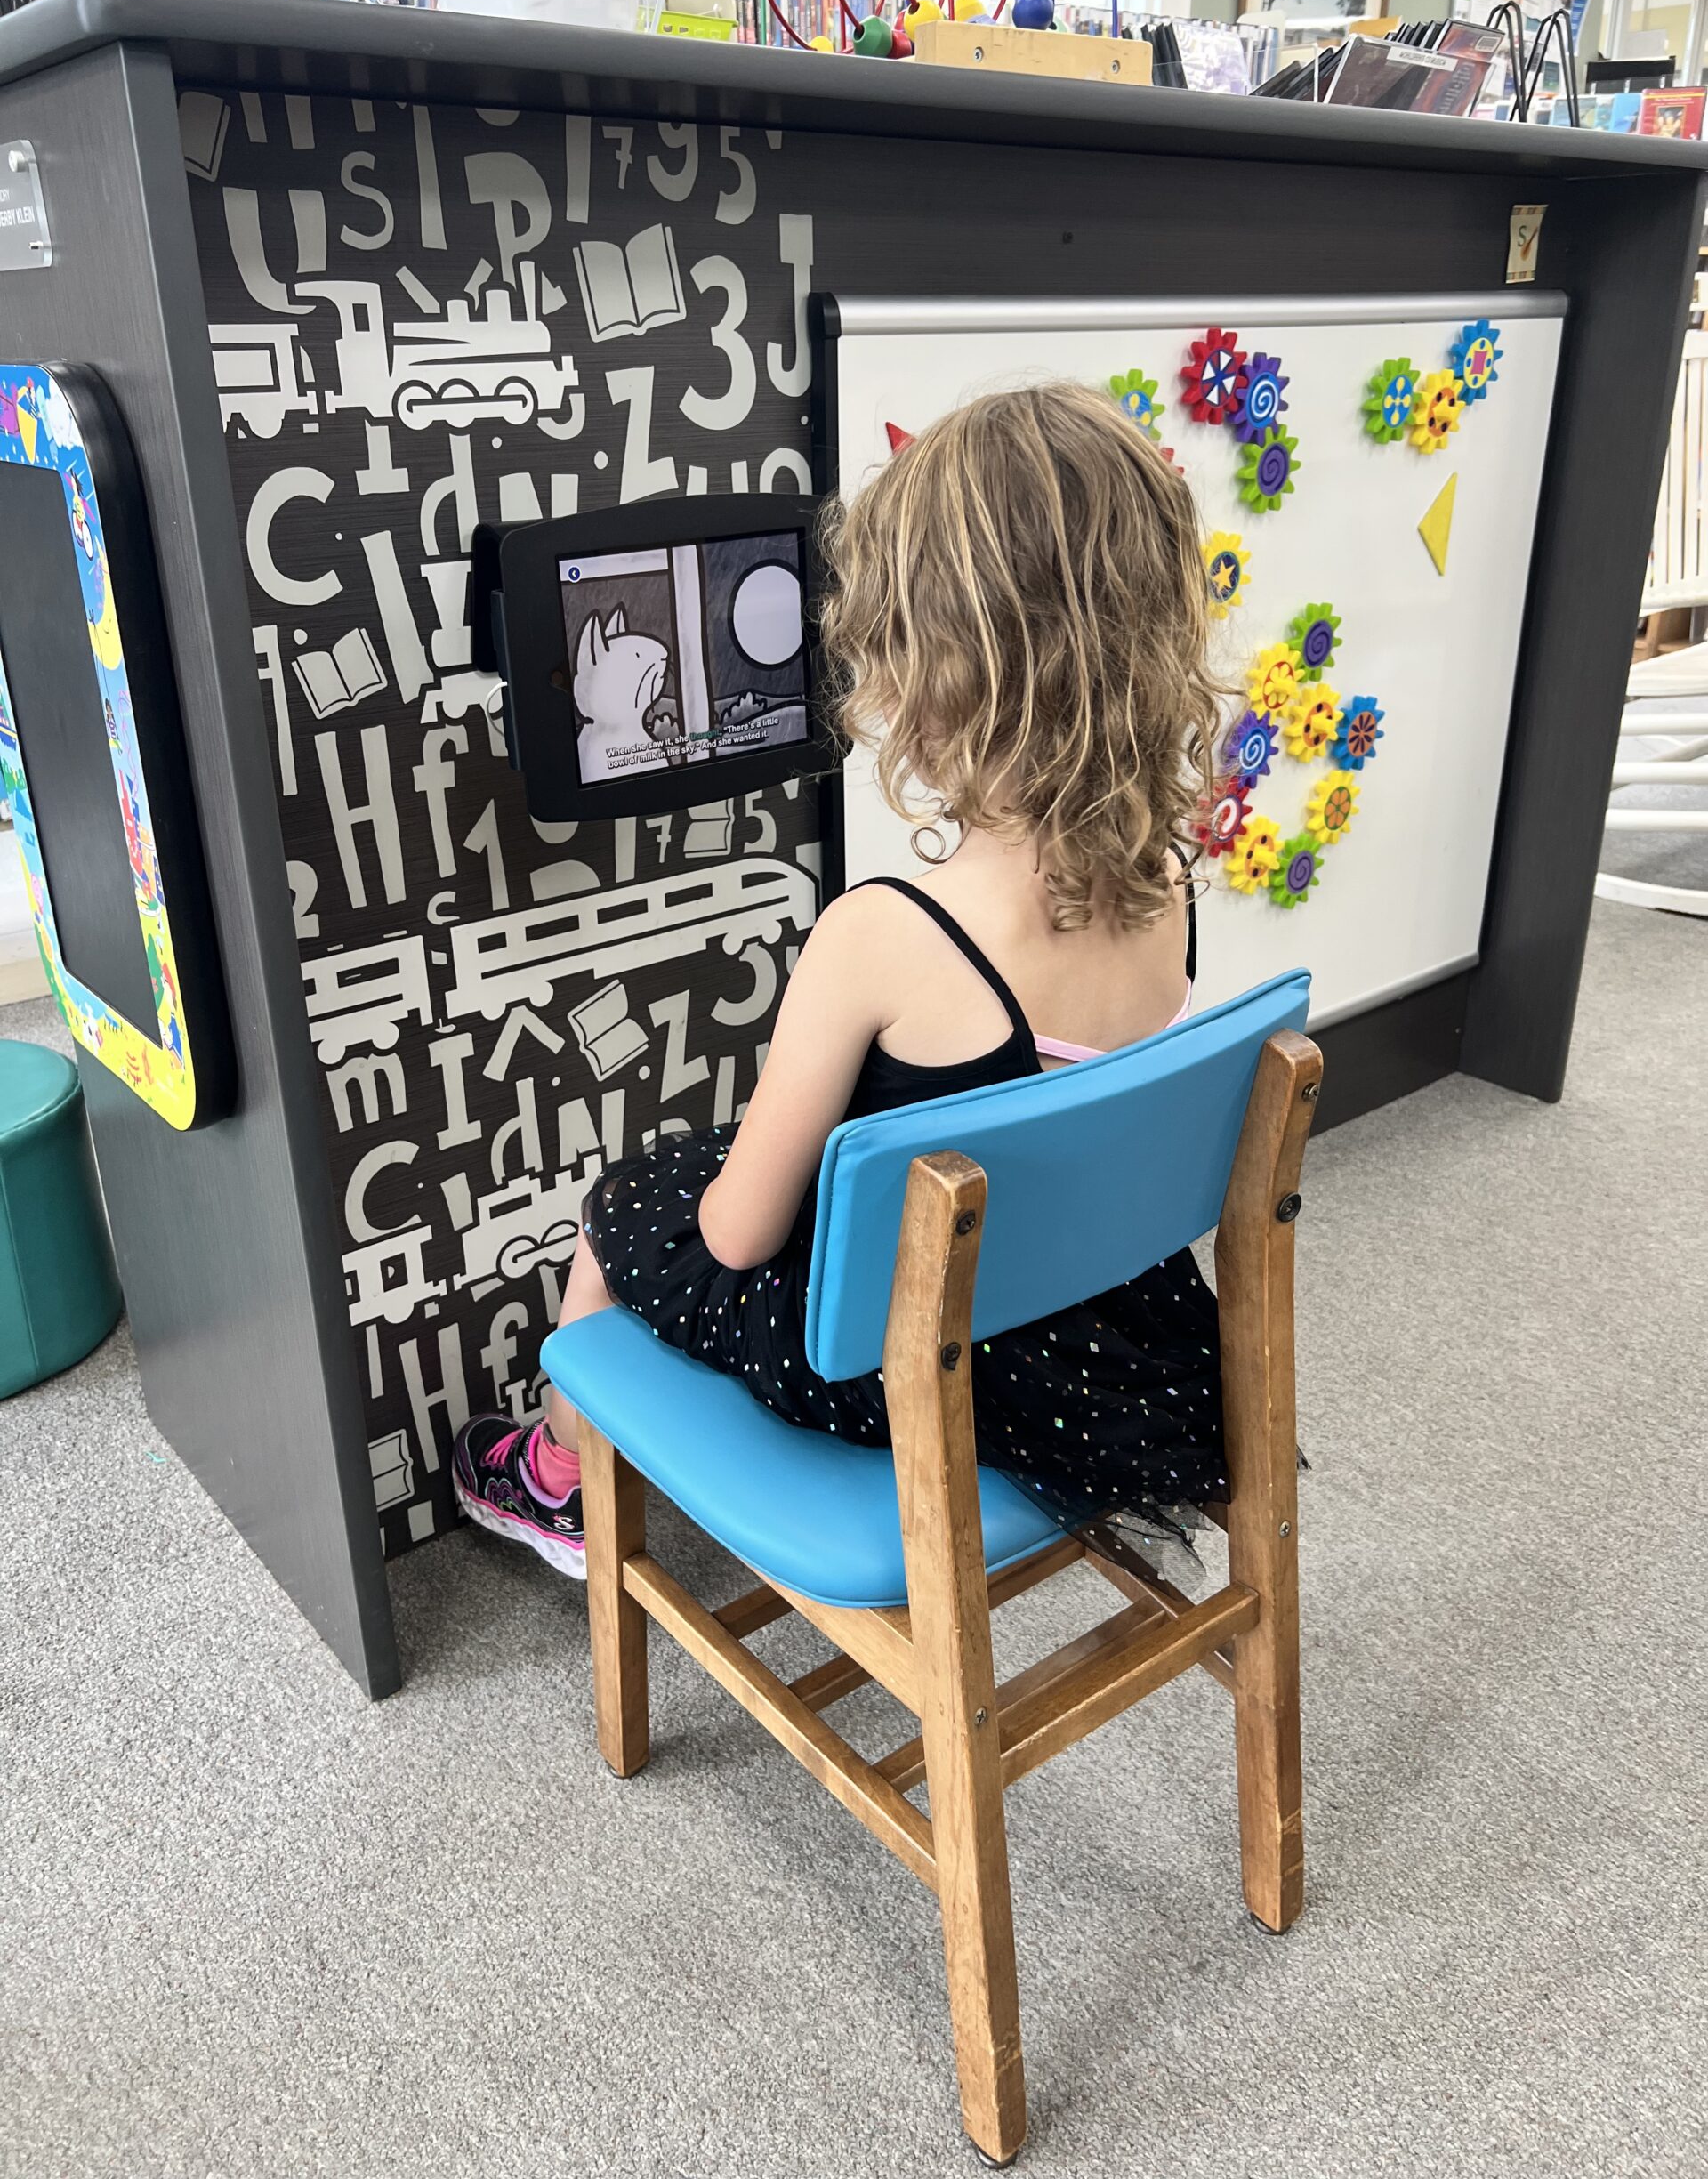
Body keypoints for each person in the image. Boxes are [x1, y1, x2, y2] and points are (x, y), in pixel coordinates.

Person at [453, 382, 1229, 1582]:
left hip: (913, 1367)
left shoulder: (880, 933)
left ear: (929, 668)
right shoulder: (1168, 875)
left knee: (631, 1205)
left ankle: (554, 1485)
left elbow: (738, 1230)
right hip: (1107, 1335)